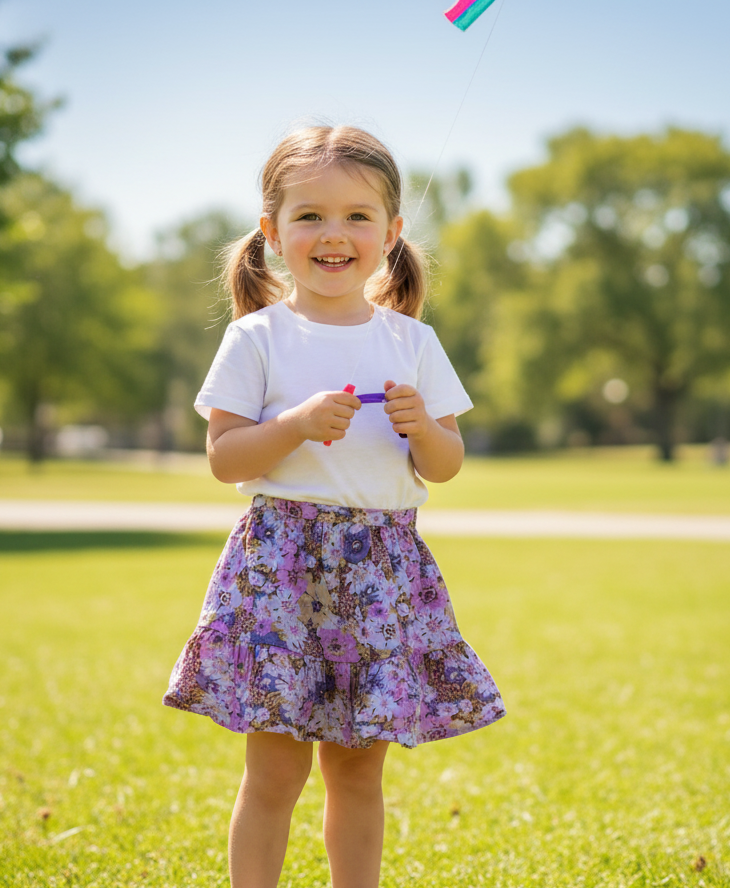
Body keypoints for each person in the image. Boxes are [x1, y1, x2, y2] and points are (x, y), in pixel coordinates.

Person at [163, 125, 506, 888]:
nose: (334, 234)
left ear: (391, 231)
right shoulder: (257, 338)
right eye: (310, 215)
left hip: (381, 574)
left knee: (356, 775)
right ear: (272, 233)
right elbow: (224, 460)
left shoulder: (412, 342)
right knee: (274, 775)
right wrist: (291, 426)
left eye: (357, 216)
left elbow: (445, 467)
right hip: (281, 572)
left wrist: (425, 430)